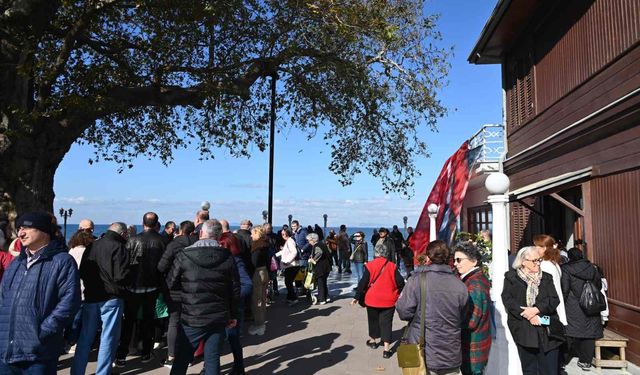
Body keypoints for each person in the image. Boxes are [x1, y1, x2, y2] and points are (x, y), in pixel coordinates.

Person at [0, 212, 81, 374]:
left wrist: (42, 332)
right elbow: (3, 298)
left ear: (44, 230)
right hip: (5, 354)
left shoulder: (62, 261)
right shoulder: (17, 263)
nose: (21, 233)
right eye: (19, 228)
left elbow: (69, 302)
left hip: (38, 355)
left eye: (27, 228)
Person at [166, 219, 240, 375]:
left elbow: (171, 282)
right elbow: (234, 289)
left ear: (201, 234)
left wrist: (188, 291)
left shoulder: (184, 255)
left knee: (182, 358)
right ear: (219, 236)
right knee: (212, 359)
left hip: (192, 315)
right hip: (218, 315)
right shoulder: (227, 256)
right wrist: (233, 314)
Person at [396, 240, 469, 374]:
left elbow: (404, 311)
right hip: (451, 354)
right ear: (449, 259)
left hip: (423, 351)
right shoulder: (460, 286)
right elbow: (463, 317)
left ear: (428, 258)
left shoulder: (416, 280)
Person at [72, 222, 131, 375]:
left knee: (85, 337)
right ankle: (103, 372)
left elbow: (83, 270)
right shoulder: (119, 247)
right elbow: (121, 275)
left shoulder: (92, 245)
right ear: (123, 234)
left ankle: (77, 371)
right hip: (111, 297)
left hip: (91, 296)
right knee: (108, 338)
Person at [115, 212, 166, 366]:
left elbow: (125, 263)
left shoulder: (132, 240)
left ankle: (122, 355)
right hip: (153, 286)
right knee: (148, 321)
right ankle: (145, 352)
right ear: (157, 224)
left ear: (143, 223)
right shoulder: (162, 241)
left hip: (133, 287)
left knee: (129, 321)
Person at [502, 246, 564, 375]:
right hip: (524, 327)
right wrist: (528, 314)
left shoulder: (546, 277)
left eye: (539, 260)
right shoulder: (511, 277)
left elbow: (553, 299)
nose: (538, 263)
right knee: (529, 368)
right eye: (534, 260)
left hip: (546, 325)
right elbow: (508, 300)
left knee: (550, 369)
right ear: (523, 261)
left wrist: (536, 310)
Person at [352, 238, 405, 358]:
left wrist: (356, 297)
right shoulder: (392, 266)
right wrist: (399, 293)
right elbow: (401, 282)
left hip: (372, 300)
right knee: (386, 323)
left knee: (373, 321)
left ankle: (373, 341)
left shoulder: (370, 266)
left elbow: (363, 283)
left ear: (375, 253)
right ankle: (386, 350)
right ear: (386, 253)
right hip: (389, 300)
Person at [157, 220, 196, 368]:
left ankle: (172, 356)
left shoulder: (173, 244)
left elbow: (161, 266)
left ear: (180, 230)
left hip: (174, 287)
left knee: (174, 321)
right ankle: (189, 356)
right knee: (190, 322)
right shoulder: (196, 244)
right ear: (193, 231)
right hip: (193, 286)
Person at [561, 248, 604, 371]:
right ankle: (585, 361)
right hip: (591, 304)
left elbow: (565, 289)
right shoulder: (592, 268)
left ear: (569, 257)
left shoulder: (566, 269)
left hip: (573, 305)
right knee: (589, 333)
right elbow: (599, 285)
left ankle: (563, 360)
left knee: (569, 332)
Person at [453, 242, 492, 375]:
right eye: (454, 260)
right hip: (474, 345)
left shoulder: (474, 285)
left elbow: (471, 321)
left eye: (459, 260)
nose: (455, 263)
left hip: (473, 347)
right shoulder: (473, 280)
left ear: (474, 261)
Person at [534, 234, 567, 326]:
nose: (535, 249)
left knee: (547, 330)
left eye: (538, 246)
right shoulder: (553, 263)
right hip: (554, 305)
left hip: (549, 306)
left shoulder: (544, 265)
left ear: (545, 248)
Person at [248, 225, 269, 336]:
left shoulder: (257, 246)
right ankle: (261, 321)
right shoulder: (265, 244)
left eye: (252, 233)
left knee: (257, 301)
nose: (251, 235)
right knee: (263, 298)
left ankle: (259, 325)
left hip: (258, 273)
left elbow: (253, 263)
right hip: (265, 271)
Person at [276, 228, 300, 306]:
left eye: (283, 234)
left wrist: (288, 261)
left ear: (287, 234)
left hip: (291, 265)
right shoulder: (289, 241)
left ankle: (293, 299)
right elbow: (284, 251)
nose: (282, 235)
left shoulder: (290, 241)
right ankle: (289, 298)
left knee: (288, 282)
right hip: (291, 265)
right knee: (288, 282)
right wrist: (275, 255)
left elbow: (294, 252)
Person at [307, 233, 332, 304]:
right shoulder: (322, 244)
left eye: (309, 240)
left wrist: (313, 260)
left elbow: (319, 253)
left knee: (320, 283)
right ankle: (326, 297)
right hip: (327, 267)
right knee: (324, 282)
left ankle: (322, 300)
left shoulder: (317, 245)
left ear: (313, 240)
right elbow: (329, 252)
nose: (309, 242)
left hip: (321, 267)